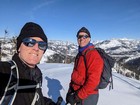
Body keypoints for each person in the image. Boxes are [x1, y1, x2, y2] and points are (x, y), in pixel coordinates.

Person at [0, 22, 57, 105]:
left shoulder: (37, 74)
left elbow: (34, 97)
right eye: (30, 42)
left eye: (41, 45)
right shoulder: (6, 71)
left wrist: (48, 103)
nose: (36, 48)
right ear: (19, 47)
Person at [66, 27, 104, 105]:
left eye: (85, 36)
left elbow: (93, 82)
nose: (82, 38)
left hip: (87, 96)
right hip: (77, 92)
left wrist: (77, 96)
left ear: (89, 38)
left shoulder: (93, 55)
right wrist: (70, 89)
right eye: (79, 36)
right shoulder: (80, 54)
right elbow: (75, 74)